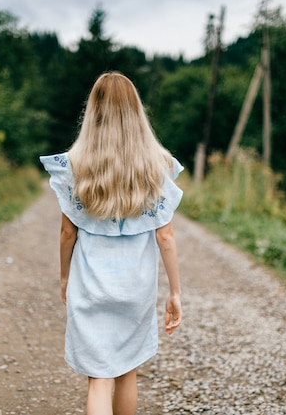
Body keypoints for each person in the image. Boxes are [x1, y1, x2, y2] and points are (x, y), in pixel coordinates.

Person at [40, 71, 183, 415]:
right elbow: (165, 235)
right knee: (127, 371)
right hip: (136, 284)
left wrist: (64, 278)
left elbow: (67, 233)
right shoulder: (156, 166)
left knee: (99, 379)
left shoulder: (74, 166)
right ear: (136, 112)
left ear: (93, 111)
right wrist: (175, 292)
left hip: (91, 282)